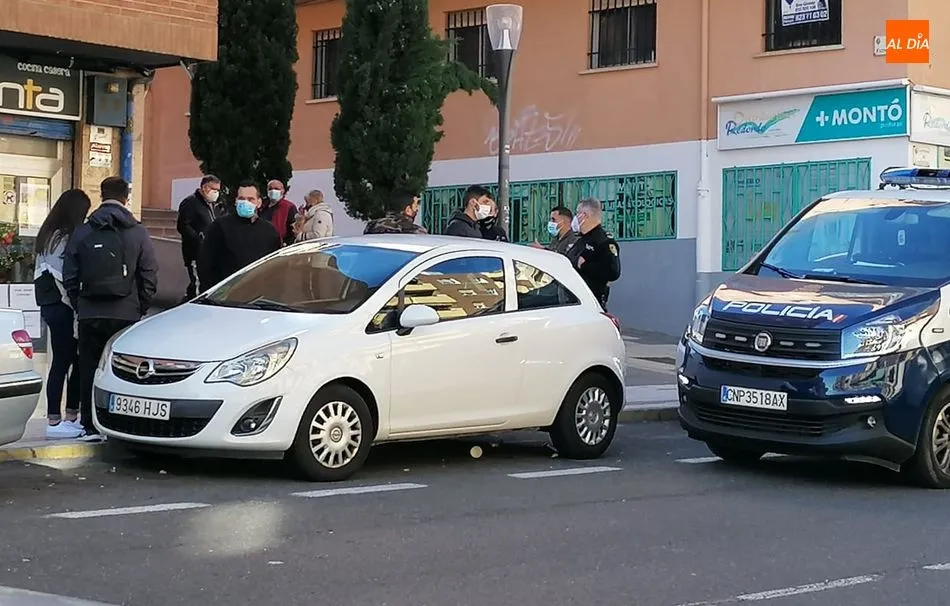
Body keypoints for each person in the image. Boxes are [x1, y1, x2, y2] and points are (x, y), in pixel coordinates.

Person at [63, 177, 159, 441]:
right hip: (125, 313)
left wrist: (79, 303)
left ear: (101, 195)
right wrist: (140, 306)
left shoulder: (83, 231)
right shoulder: (138, 231)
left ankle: (89, 424)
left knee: (89, 367)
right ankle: (119, 423)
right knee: (123, 371)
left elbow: (69, 273)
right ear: (126, 197)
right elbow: (149, 272)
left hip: (90, 312)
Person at [33, 189, 91, 439]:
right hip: (63, 306)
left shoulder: (46, 234)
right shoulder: (64, 237)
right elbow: (63, 276)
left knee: (60, 360)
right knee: (71, 360)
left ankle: (57, 418)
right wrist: (77, 305)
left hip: (50, 306)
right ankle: (64, 418)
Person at [198, 180, 281, 288]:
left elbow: (274, 266)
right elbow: (205, 262)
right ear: (236, 201)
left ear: (259, 202)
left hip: (258, 293)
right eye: (242, 199)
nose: (246, 202)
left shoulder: (269, 230)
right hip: (225, 293)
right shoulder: (220, 226)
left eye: (251, 199)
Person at [176, 175, 225, 301]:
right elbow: (183, 226)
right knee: (198, 284)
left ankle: (186, 302)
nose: (216, 193)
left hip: (211, 253)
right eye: (213, 189)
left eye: (218, 190)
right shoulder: (191, 203)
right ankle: (193, 305)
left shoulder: (215, 206)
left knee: (204, 282)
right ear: (204, 188)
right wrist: (200, 240)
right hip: (195, 253)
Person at [567, 198, 621, 310]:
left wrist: (585, 266)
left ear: (585, 215)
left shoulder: (603, 241)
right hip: (572, 299)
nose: (575, 217)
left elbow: (613, 272)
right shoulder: (581, 240)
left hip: (590, 302)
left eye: (577, 213)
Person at [364, 190, 428, 234]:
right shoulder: (415, 231)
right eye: (415, 206)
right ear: (408, 209)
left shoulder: (372, 226)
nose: (417, 209)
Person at [260, 179, 298, 247]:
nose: (273, 191)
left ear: (282, 191)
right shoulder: (262, 207)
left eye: (276, 188)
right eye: (270, 188)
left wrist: (286, 244)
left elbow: (294, 228)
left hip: (280, 246)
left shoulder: (289, 207)